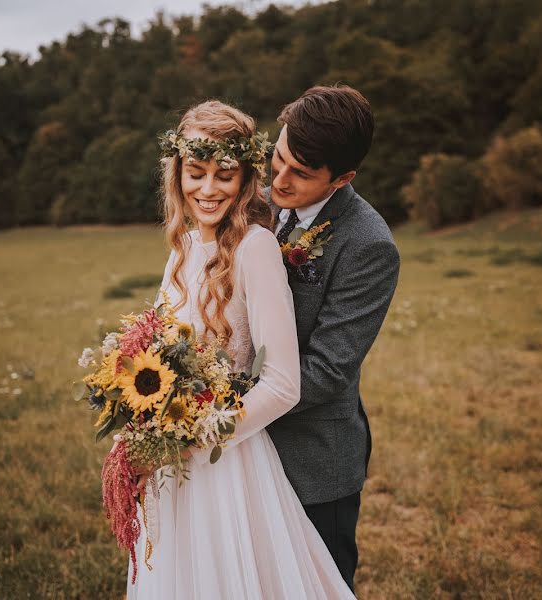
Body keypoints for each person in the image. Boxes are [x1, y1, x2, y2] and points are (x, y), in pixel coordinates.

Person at [128, 100, 355, 599]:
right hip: (171, 463)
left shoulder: (256, 247)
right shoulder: (182, 248)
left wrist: (193, 439)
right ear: (177, 174)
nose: (207, 190)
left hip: (224, 457)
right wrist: (142, 426)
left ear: (244, 177)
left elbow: (282, 384)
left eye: (223, 175)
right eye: (195, 174)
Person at [265, 85, 401, 592]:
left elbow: (326, 372)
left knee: (317, 587)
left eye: (300, 174)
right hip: (241, 455)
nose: (278, 181)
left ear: (343, 178)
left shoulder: (369, 246)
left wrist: (218, 401)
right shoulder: (255, 207)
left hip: (314, 461)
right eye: (277, 159)